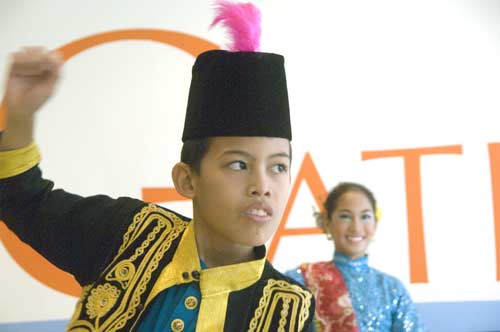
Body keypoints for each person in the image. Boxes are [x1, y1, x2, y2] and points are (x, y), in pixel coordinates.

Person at [0, 2, 315, 331]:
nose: (262, 185)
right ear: (187, 179)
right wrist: (21, 115)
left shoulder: (288, 312)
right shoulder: (130, 234)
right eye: (238, 164)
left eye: (278, 167)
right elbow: (24, 199)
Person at [285, 182, 425, 332]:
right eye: (345, 216)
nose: (356, 227)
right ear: (327, 222)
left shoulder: (391, 289)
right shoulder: (301, 282)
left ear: (375, 224)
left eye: (365, 216)